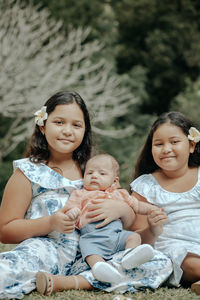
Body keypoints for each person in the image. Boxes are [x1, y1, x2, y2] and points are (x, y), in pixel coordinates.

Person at [0, 91, 172, 299]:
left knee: (160, 262)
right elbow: (5, 230)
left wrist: (123, 210)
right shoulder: (28, 172)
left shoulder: (94, 169)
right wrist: (50, 223)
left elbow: (124, 219)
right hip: (45, 252)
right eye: (59, 122)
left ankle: (71, 282)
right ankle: (82, 279)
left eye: (76, 125)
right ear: (43, 126)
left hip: (93, 254)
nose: (67, 131)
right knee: (5, 271)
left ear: (85, 131)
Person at [38, 153, 159, 286]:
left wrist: (152, 209)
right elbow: (71, 207)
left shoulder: (120, 194)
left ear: (114, 181)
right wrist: (72, 213)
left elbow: (137, 205)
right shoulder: (80, 193)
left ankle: (130, 256)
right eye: (90, 173)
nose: (94, 176)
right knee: (88, 250)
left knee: (134, 237)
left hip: (117, 236)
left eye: (102, 174)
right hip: (92, 237)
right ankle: (100, 267)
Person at [129, 111, 200, 295]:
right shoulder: (145, 186)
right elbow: (137, 237)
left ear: (191, 145)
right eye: (158, 144)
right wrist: (151, 227)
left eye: (174, 142)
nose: (166, 149)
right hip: (173, 248)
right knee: (190, 262)